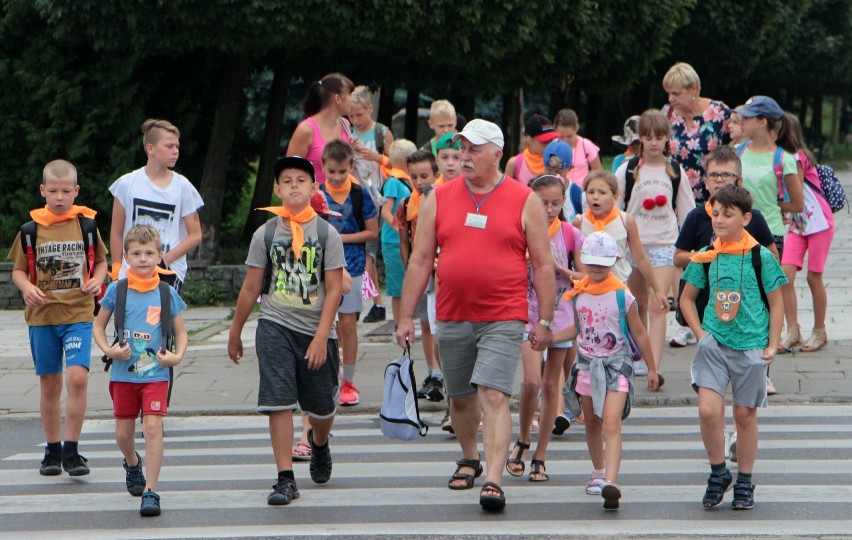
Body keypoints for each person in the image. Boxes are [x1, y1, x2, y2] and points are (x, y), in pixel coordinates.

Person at [395, 119, 556, 512]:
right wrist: (405, 318)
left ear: (497, 154)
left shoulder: (524, 199)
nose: (464, 156)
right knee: (461, 397)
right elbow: (419, 260)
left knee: (494, 394)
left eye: (473, 149)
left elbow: (543, 265)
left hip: (504, 314)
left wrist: (545, 321)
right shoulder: (439, 198)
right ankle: (469, 457)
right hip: (452, 312)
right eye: (461, 148)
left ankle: (495, 480)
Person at [227, 156, 345, 506]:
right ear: (277, 189)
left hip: (316, 330)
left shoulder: (327, 233)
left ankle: (320, 443)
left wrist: (322, 337)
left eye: (301, 180)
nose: (294, 185)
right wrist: (236, 331)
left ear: (313, 188)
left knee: (321, 408)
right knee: (279, 402)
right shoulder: (265, 233)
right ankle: (285, 479)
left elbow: (335, 290)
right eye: (287, 180)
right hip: (274, 325)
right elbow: (251, 287)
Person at [679, 184, 786, 511]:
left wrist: (772, 345)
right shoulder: (706, 256)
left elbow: (777, 303)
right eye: (715, 214)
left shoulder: (760, 257)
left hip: (752, 346)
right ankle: (717, 473)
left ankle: (744, 480)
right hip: (714, 344)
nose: (720, 220)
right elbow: (686, 299)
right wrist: (700, 334)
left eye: (728, 214)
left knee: (744, 414)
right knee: (708, 410)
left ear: (746, 218)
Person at [7, 159, 108, 477]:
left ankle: (72, 451)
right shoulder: (30, 230)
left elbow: (103, 262)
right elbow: (19, 271)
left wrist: (98, 281)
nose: (60, 197)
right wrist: (26, 288)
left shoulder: (86, 226)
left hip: (78, 314)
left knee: (77, 378)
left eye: (66, 191)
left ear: (76, 191)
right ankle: (51, 451)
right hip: (42, 317)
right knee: (50, 384)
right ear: (43, 191)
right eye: (53, 191)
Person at [559, 231, 659, 510]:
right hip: (587, 365)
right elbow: (576, 330)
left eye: (603, 262)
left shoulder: (622, 295)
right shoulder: (578, 293)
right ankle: (599, 471)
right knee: (592, 422)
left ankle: (611, 482)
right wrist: (548, 337)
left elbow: (639, 332)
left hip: (616, 367)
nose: (596, 267)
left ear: (614, 261)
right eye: (591, 262)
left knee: (611, 422)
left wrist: (652, 368)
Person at [93, 225, 188, 517]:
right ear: (127, 256)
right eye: (137, 253)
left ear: (160, 256)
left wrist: (177, 356)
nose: (144, 258)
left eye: (149, 253)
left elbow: (181, 332)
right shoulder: (116, 290)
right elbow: (97, 326)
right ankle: (132, 463)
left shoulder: (166, 293)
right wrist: (108, 351)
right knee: (123, 434)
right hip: (123, 373)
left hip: (156, 374)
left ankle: (151, 491)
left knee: (152, 427)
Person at [506, 174, 583, 483]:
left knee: (552, 386)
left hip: (560, 316)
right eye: (542, 203)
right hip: (525, 313)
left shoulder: (569, 234)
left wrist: (559, 268)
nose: (549, 209)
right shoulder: (521, 229)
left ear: (563, 202)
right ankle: (522, 439)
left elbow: (585, 277)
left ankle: (541, 454)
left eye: (555, 203)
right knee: (531, 381)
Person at [673, 146, 779, 348]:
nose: (719, 180)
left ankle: (762, 377)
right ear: (705, 182)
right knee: (710, 350)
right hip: (708, 297)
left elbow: (773, 256)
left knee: (752, 345)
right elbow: (677, 258)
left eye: (726, 175)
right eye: (713, 175)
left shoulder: (753, 217)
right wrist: (705, 255)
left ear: (739, 181)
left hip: (747, 298)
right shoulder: (696, 216)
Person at [734, 96, 804, 394]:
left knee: (763, 302)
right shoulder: (737, 152)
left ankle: (763, 371)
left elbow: (797, 202)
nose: (742, 122)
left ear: (763, 121)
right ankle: (738, 365)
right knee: (740, 300)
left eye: (748, 117)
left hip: (769, 236)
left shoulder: (783, 158)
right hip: (736, 235)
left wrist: (775, 205)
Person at [615, 109, 693, 376]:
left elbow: (687, 211)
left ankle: (653, 366)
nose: (653, 142)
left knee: (660, 303)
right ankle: (640, 353)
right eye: (647, 137)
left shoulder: (675, 171)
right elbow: (615, 208)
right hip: (633, 246)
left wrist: (690, 246)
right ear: (640, 140)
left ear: (666, 139)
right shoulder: (627, 170)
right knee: (637, 303)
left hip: (665, 245)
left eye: (659, 136)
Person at [573, 170, 668, 386]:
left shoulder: (626, 221)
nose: (595, 197)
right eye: (591, 192)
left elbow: (640, 258)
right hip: (589, 292)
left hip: (618, 290)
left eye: (602, 192)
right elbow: (576, 261)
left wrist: (658, 289)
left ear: (615, 196)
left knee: (625, 333)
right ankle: (585, 382)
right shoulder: (579, 223)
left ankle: (630, 372)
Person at [109, 119, 203, 291]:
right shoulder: (126, 184)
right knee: (129, 317)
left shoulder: (183, 187)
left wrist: (165, 260)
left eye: (177, 146)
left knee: (161, 317)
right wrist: (116, 270)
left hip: (168, 271)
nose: (175, 151)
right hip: (130, 271)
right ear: (150, 148)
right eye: (169, 146)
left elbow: (195, 235)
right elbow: (116, 231)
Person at [319, 140, 379, 406]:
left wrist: (341, 239)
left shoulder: (359, 194)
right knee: (326, 324)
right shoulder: (316, 195)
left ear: (351, 167)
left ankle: (348, 381)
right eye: (331, 171)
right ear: (323, 168)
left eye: (342, 171)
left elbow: (372, 231)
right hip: (323, 269)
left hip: (352, 267)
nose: (336, 176)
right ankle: (329, 376)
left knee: (348, 323)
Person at [776, 113, 834, 353]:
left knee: (814, 277)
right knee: (784, 276)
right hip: (798, 225)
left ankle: (819, 331)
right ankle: (793, 331)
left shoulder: (797, 158)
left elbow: (796, 190)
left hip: (819, 222)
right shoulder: (781, 158)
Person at [397, 150, 443, 402]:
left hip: (442, 268)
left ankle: (443, 371)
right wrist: (409, 267)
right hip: (422, 268)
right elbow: (404, 239)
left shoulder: (441, 199)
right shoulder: (407, 204)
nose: (419, 181)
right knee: (426, 323)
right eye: (414, 177)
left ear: (436, 175)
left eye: (424, 175)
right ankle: (433, 371)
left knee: (441, 323)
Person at [349, 85, 393, 324]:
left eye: (359, 115)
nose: (355, 120)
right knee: (362, 253)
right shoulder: (348, 133)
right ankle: (370, 301)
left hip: (378, 200)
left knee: (369, 253)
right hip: (354, 198)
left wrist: (375, 157)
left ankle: (376, 302)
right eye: (351, 116)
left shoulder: (381, 133)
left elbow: (396, 164)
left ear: (370, 109)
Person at [661, 62, 732, 205]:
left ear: (693, 89)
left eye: (675, 93)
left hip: (713, 197)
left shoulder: (719, 112)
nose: (670, 99)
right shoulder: (666, 113)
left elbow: (738, 145)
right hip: (675, 197)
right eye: (668, 93)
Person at [286, 73, 354, 184]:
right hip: (311, 200)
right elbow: (289, 175)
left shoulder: (345, 125)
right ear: (337, 98)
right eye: (350, 94)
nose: (353, 100)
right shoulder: (306, 130)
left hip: (342, 199)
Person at [380, 139, 416, 324]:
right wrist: (397, 227)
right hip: (393, 242)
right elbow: (386, 210)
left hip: (405, 241)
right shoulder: (393, 182)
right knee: (397, 287)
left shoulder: (407, 181)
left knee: (408, 282)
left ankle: (405, 320)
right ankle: (398, 323)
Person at [504, 114, 560, 184]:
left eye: (551, 140)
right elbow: (506, 191)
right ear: (528, 139)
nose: (549, 145)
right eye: (545, 141)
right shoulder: (515, 163)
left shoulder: (557, 161)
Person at [553, 109, 603, 186]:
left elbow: (598, 172)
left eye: (569, 136)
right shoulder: (551, 147)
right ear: (555, 129)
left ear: (577, 128)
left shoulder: (586, 145)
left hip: (582, 193)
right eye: (561, 136)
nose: (565, 140)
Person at [542, 140, 584, 222]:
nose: (553, 175)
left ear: (570, 168)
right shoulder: (536, 189)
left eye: (559, 172)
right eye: (549, 171)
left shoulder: (575, 194)